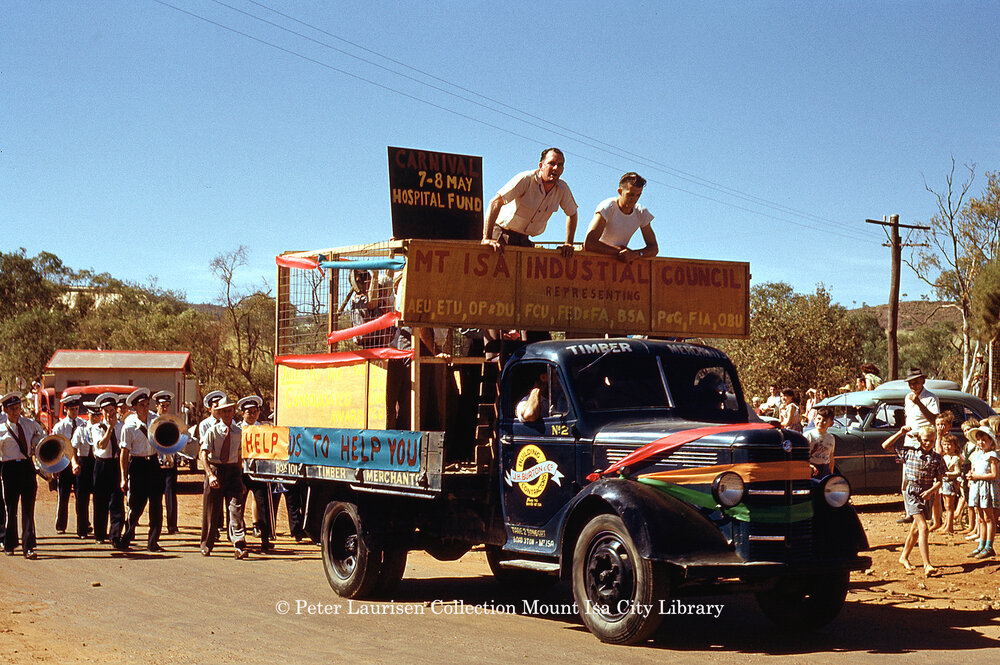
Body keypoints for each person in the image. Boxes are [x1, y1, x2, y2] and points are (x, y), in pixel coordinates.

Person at [482, 148, 578, 258]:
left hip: (524, 240)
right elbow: (495, 202)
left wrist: (569, 243)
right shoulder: (526, 179)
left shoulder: (562, 189)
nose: (556, 168)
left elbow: (572, 213)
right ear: (541, 166)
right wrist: (487, 238)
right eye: (552, 163)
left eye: (560, 165)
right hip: (500, 234)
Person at [882, 424, 945, 575]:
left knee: (916, 529)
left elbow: (940, 481)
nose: (927, 443)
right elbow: (885, 445)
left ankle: (904, 557)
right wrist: (900, 432)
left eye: (931, 440)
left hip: (928, 493)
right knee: (923, 527)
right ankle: (927, 564)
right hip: (912, 492)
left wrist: (931, 491)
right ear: (919, 439)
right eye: (925, 440)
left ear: (935, 440)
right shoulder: (909, 452)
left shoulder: (937, 458)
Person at [199, 397, 248, 559]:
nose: (227, 414)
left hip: (233, 472)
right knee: (212, 512)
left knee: (236, 509)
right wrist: (210, 475)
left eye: (229, 410)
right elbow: (203, 454)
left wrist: (240, 478)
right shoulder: (212, 431)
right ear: (219, 413)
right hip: (216, 470)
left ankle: (239, 544)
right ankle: (207, 544)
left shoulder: (238, 432)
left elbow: (240, 455)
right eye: (224, 411)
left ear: (234, 412)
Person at [118, 387, 165, 552]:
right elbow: (124, 453)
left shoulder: (155, 420)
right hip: (138, 466)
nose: (145, 408)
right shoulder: (129, 426)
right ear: (134, 408)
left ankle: (153, 542)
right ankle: (127, 536)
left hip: (153, 464)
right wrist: (123, 477)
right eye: (141, 405)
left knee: (156, 505)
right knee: (136, 505)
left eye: (147, 404)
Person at [1, 392, 44, 558]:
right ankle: (9, 543)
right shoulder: (1, 429)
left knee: (28, 509)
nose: (15, 412)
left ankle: (28, 547)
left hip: (27, 467)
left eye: (17, 408)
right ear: (5, 410)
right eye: (12, 409)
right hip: (9, 468)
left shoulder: (30, 424)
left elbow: (41, 437)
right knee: (11, 509)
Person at [583, 172, 658, 263]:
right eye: (630, 195)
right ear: (620, 191)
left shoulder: (641, 212)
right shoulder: (607, 207)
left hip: (617, 263)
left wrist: (636, 254)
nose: (634, 199)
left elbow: (653, 248)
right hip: (592, 260)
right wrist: (620, 252)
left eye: (638, 195)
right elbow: (590, 243)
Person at [236, 395, 272, 552]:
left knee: (263, 507)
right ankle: (239, 539)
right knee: (239, 508)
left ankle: (265, 540)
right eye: (248, 412)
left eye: (255, 411)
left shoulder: (264, 429)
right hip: (242, 472)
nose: (252, 414)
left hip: (259, 473)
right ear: (242, 413)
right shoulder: (237, 430)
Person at [90, 392, 125, 546]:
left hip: (115, 465)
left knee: (117, 500)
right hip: (101, 465)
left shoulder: (123, 427)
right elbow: (101, 445)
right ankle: (99, 533)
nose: (109, 414)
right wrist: (109, 429)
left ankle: (115, 535)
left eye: (112, 410)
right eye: (106, 411)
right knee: (100, 500)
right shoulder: (97, 427)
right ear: (101, 412)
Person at [51, 393, 86, 534]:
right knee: (63, 496)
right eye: (72, 409)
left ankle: (83, 524)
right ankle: (61, 525)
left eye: (77, 409)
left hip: (78, 463)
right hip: (64, 464)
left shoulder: (83, 425)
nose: (74, 412)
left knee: (81, 496)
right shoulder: (60, 426)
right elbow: (55, 447)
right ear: (66, 410)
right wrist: (55, 467)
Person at [966, 426, 1000, 559]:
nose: (981, 442)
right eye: (979, 439)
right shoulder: (978, 455)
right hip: (977, 488)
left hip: (986, 488)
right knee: (980, 518)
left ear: (991, 441)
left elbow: (994, 474)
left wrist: (977, 477)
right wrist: (971, 475)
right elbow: (976, 470)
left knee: (988, 518)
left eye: (984, 439)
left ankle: (989, 546)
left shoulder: (993, 456)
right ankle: (981, 545)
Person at [71, 400, 102, 539]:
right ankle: (82, 528)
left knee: (99, 498)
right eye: (92, 415)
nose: (95, 419)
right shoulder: (81, 429)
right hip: (84, 463)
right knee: (82, 499)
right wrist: (74, 464)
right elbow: (72, 447)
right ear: (87, 414)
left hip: (97, 463)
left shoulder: (102, 429)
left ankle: (99, 530)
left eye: (97, 416)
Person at [152, 390, 179, 535]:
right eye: (162, 405)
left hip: (169, 461)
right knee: (156, 495)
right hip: (155, 462)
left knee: (170, 493)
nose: (165, 408)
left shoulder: (172, 421)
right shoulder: (152, 422)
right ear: (156, 406)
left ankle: (172, 524)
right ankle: (156, 524)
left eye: (167, 405)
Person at [903, 368, 939, 449]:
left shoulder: (931, 398)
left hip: (924, 441)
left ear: (923, 381)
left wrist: (919, 403)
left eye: (916, 382)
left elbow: (935, 420)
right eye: (910, 383)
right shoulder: (908, 397)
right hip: (909, 439)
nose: (913, 386)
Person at [938, 433, 964, 534]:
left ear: (955, 446)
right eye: (944, 444)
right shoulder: (944, 457)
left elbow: (957, 472)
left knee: (949, 505)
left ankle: (950, 527)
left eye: (949, 445)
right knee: (946, 505)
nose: (946, 447)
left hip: (950, 483)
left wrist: (947, 474)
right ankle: (946, 525)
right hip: (943, 483)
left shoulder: (956, 458)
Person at [807, 407, 836, 477]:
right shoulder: (809, 435)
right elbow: (801, 457)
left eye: (824, 420)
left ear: (831, 424)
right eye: (819, 419)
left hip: (825, 469)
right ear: (814, 420)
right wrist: (809, 466)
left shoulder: (831, 438)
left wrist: (831, 473)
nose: (820, 422)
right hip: (812, 469)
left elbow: (831, 457)